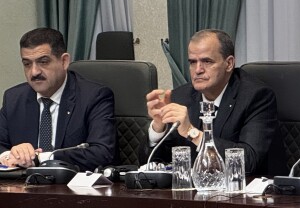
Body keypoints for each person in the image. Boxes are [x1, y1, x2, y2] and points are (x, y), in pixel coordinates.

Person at [144, 29, 285, 176]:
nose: (198, 70)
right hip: (194, 188)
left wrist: (192, 133)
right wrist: (158, 128)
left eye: (207, 61)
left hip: (245, 187)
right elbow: (151, 164)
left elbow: (249, 161)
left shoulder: (256, 97)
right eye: (192, 62)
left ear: (229, 63)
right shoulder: (180, 97)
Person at [0, 27, 116, 171]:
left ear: (64, 61)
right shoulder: (14, 98)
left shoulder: (93, 96)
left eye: (43, 62)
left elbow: (102, 153)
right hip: (23, 183)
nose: (34, 72)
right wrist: (10, 156)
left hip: (73, 183)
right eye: (27, 64)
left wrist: (40, 158)